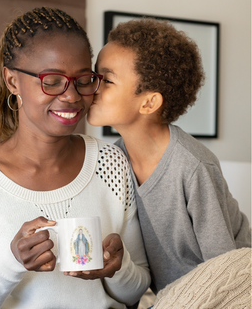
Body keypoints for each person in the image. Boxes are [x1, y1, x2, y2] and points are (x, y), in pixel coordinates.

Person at [0, 7, 150, 309]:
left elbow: (136, 292)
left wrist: (119, 267)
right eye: (52, 81)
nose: (72, 96)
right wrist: (11, 264)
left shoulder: (111, 163)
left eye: (83, 79)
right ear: (12, 81)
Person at [87, 17, 251, 295]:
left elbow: (224, 271)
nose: (93, 86)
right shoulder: (112, 160)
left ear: (149, 102)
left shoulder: (194, 165)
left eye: (107, 80)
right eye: (95, 76)